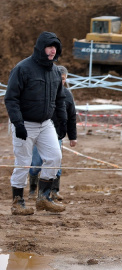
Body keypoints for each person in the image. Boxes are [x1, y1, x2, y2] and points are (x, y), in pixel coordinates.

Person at [5, 31, 67, 215]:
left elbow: (60, 99)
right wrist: (18, 124)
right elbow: (11, 99)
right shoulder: (22, 69)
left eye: (55, 48)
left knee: (55, 157)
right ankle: (18, 201)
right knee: (24, 162)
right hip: (24, 123)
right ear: (41, 48)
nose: (52, 51)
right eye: (49, 47)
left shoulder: (56, 71)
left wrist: (62, 121)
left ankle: (44, 197)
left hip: (45, 123)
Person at [28, 65, 77, 201]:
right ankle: (33, 188)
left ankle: (54, 191)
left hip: (57, 134)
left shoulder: (67, 95)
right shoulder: (42, 91)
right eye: (58, 78)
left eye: (63, 79)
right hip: (40, 132)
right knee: (37, 163)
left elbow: (72, 116)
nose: (60, 81)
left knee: (56, 162)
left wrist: (72, 137)